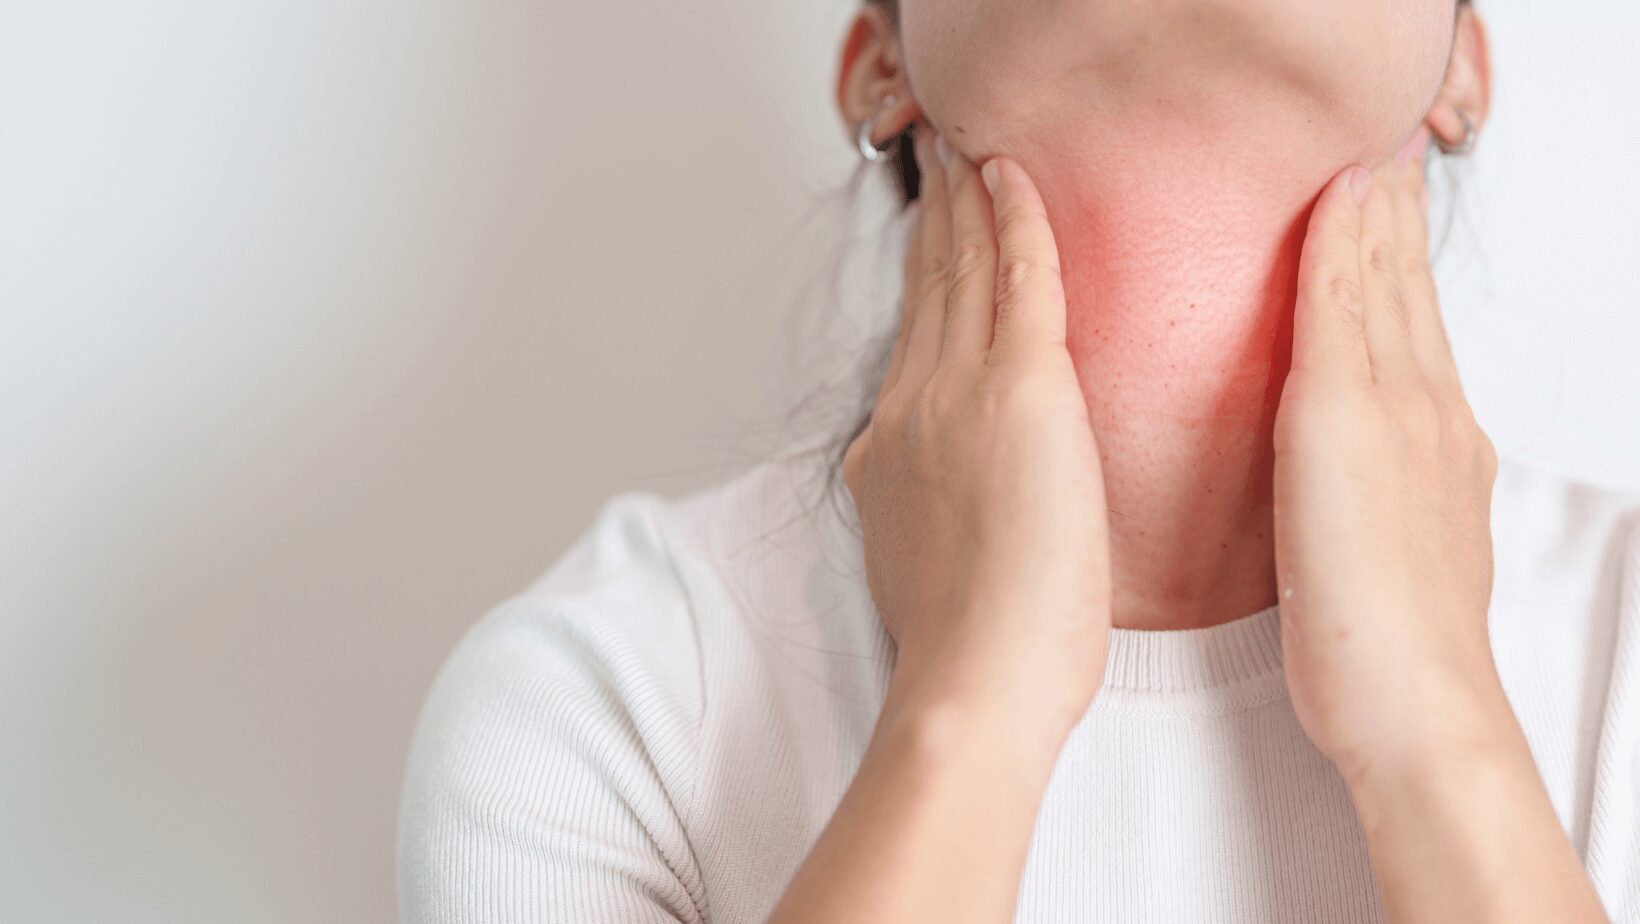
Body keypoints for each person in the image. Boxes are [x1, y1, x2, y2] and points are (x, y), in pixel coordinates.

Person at [396, 1, 1640, 921]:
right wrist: (966, 705)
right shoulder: (601, 710)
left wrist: (1439, 732)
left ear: (1459, 67)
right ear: (881, 58)